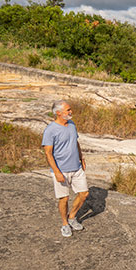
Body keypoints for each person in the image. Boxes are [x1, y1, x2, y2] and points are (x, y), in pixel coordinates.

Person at [42, 100, 89, 237]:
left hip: (76, 167)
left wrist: (82, 158)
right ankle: (64, 224)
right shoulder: (50, 130)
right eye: (68, 110)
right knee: (64, 198)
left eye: (70, 109)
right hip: (61, 169)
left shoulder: (72, 125)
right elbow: (48, 153)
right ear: (58, 113)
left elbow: (75, 142)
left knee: (84, 194)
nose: (71, 112)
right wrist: (56, 172)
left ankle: (72, 217)